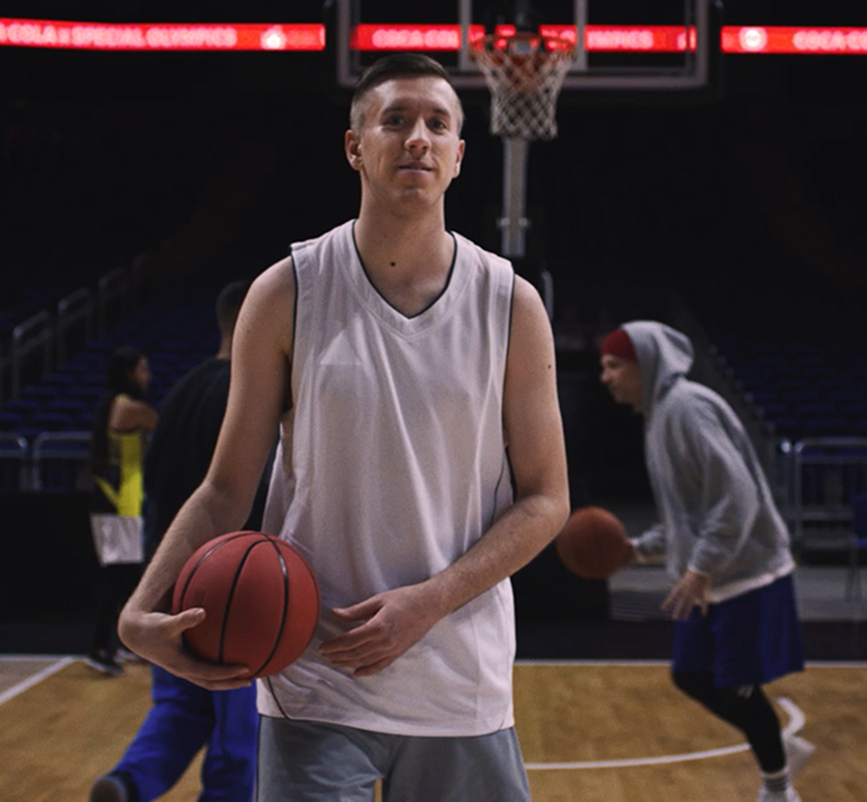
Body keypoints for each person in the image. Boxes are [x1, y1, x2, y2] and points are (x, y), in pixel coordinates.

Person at [118, 53, 570, 802]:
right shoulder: (287, 291)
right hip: (314, 679)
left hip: (461, 680)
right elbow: (227, 488)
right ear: (356, 146)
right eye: (395, 120)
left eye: (437, 123)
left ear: (460, 156)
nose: (417, 137)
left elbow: (547, 498)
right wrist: (141, 607)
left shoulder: (511, 304)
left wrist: (427, 602)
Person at [599, 322, 810, 802]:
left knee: (735, 685)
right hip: (715, 574)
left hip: (746, 574)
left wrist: (702, 565)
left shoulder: (687, 408)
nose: (605, 377)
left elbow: (736, 498)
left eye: (613, 366)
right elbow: (688, 515)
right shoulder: (660, 416)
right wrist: (640, 549)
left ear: (644, 364)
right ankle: (777, 747)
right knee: (691, 674)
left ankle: (779, 788)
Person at [90, 280, 263, 802]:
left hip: (171, 574)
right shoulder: (251, 393)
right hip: (232, 584)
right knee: (240, 726)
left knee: (179, 706)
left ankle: (129, 782)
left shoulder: (181, 391)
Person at [88, 347, 158, 676]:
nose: (149, 376)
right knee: (117, 581)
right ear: (129, 373)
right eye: (143, 369)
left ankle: (120, 645)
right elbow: (167, 425)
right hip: (121, 502)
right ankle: (100, 649)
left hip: (112, 499)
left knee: (124, 580)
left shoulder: (111, 404)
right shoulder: (131, 409)